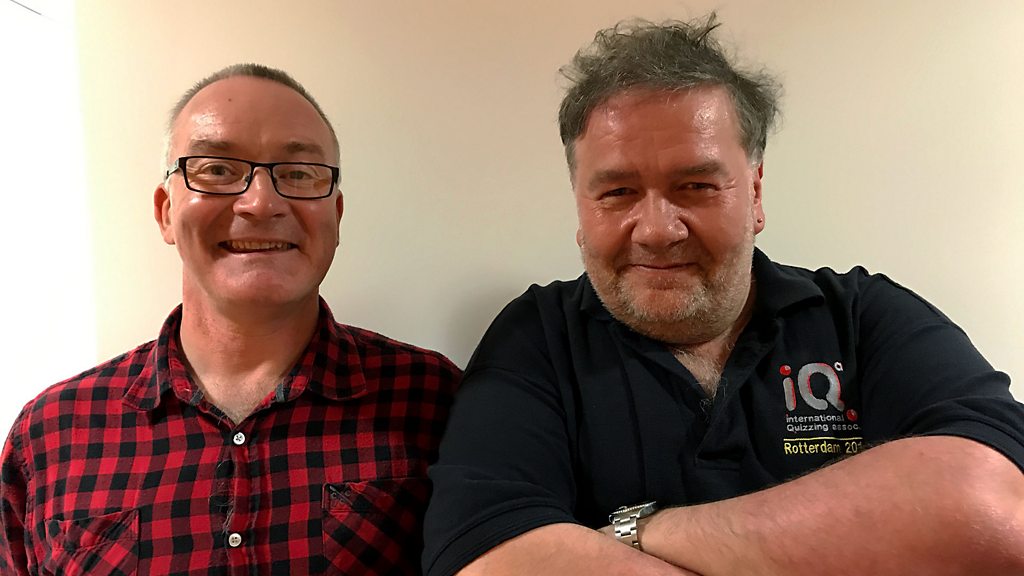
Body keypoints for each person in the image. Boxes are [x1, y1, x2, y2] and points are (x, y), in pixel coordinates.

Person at [422, 15, 1024, 576]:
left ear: (755, 194)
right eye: (617, 193)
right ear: (581, 210)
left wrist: (639, 533)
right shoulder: (536, 338)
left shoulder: (863, 315)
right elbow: (485, 560)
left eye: (696, 185)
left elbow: (996, 508)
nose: (657, 230)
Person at [0, 63, 460, 575]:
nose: (261, 203)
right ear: (165, 211)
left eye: (298, 174)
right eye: (217, 169)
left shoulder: (436, 401)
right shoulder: (51, 433)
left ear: (336, 215)